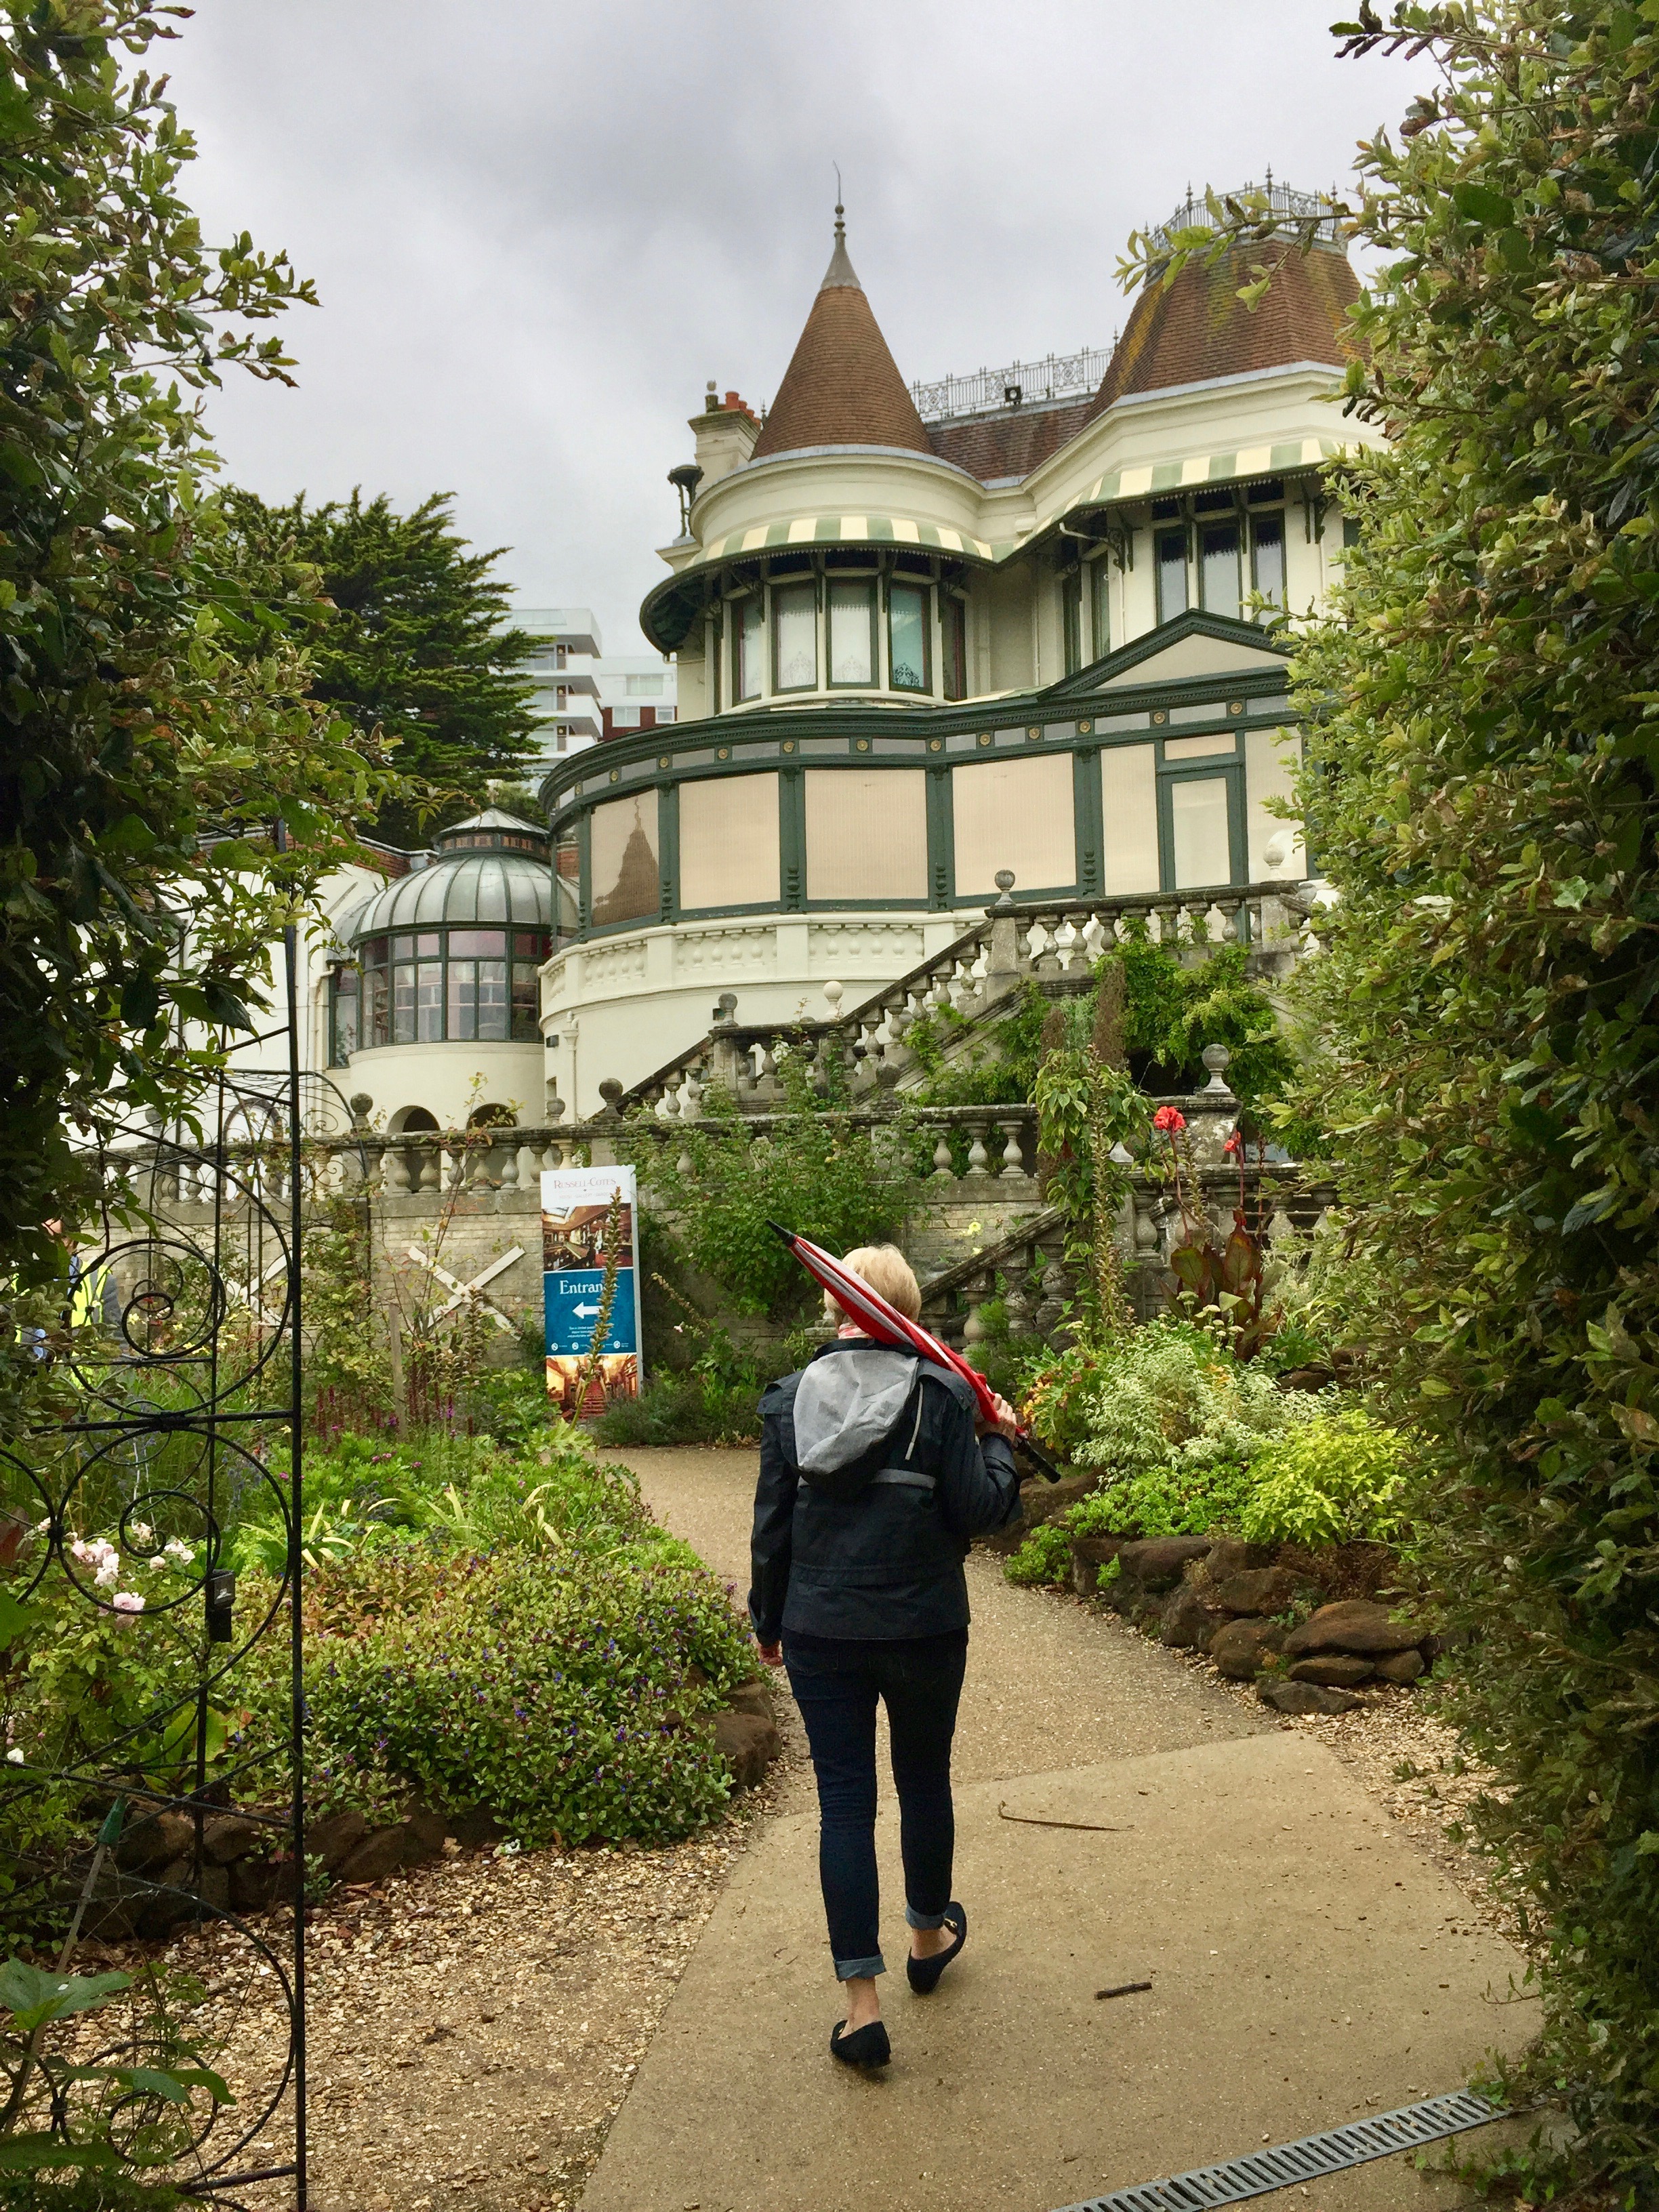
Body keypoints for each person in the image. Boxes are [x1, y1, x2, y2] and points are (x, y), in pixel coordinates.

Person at [748, 1244, 1021, 2069]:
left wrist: (769, 1622)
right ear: (906, 1309)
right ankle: (928, 1937)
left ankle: (862, 2009)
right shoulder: (943, 1394)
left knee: (844, 1802)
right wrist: (1000, 1440)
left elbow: (773, 1529)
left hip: (822, 1628)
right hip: (924, 1623)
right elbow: (982, 1512)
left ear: (839, 1310)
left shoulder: (791, 1400)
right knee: (923, 1780)